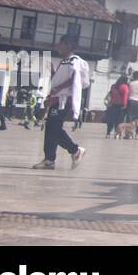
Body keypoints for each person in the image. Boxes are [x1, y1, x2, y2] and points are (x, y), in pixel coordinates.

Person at [33, 29, 88, 170]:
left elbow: (74, 79)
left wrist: (58, 89)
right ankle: (49, 159)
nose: (58, 46)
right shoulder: (65, 61)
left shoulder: (73, 61)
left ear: (68, 46)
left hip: (65, 100)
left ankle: (75, 150)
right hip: (57, 99)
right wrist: (53, 73)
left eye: (61, 44)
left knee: (54, 127)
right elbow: (63, 79)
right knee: (51, 127)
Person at [126, 72, 138, 139]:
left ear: (133, 76)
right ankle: (137, 134)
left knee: (129, 118)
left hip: (131, 101)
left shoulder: (130, 84)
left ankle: (128, 134)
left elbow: (128, 93)